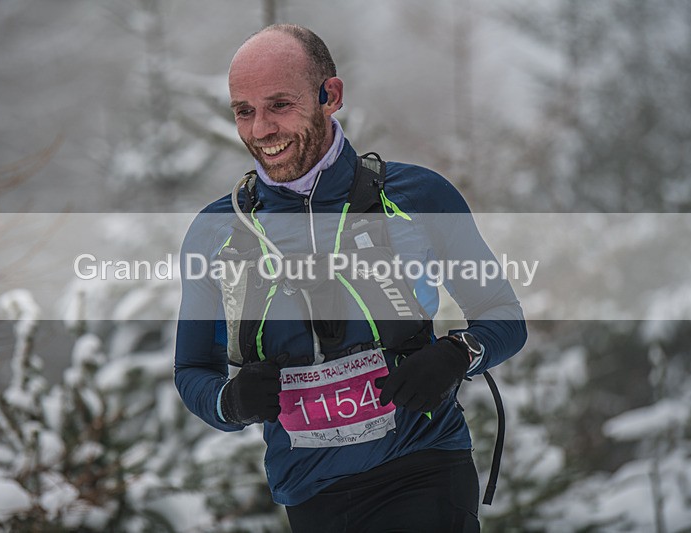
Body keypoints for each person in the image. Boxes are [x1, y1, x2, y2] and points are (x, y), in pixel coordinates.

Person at [175, 23, 527, 532]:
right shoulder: (217, 233)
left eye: (279, 104)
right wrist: (230, 402)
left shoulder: (418, 198)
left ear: (329, 95)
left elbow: (504, 316)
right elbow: (191, 371)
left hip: (424, 467)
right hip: (311, 491)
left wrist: (455, 355)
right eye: (244, 111)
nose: (261, 130)